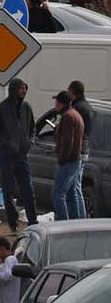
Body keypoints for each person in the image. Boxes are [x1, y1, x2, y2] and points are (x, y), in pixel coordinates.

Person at [0, 77, 37, 231]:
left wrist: (30, 142)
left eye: (25, 88)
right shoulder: (1, 108)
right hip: (6, 155)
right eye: (21, 88)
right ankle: (12, 222)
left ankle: (33, 221)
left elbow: (32, 128)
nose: (23, 91)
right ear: (14, 89)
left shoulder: (26, 108)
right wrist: (6, 143)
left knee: (28, 189)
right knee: (8, 189)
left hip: (22, 155)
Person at [53, 90, 85, 221]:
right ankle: (77, 222)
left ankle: (63, 223)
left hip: (69, 161)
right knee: (72, 194)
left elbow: (68, 141)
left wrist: (62, 159)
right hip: (75, 159)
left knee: (58, 194)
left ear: (62, 103)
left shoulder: (68, 117)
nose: (55, 105)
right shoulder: (76, 115)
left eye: (57, 102)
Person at [70, 80, 93, 219]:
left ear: (74, 92)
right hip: (86, 149)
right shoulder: (87, 106)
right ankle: (81, 216)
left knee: (75, 186)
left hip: (79, 150)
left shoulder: (78, 108)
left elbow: (75, 131)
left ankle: (79, 217)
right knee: (76, 185)